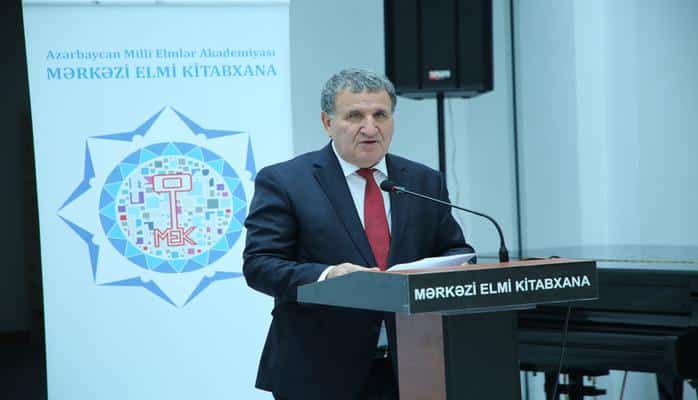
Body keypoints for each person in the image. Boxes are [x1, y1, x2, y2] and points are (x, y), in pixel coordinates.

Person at [242, 68, 474, 400]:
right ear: (327, 122)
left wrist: (456, 269)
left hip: (414, 365)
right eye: (355, 116)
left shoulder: (422, 180)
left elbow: (454, 249)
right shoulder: (286, 181)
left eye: (380, 115)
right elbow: (260, 265)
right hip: (319, 372)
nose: (370, 128)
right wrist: (328, 275)